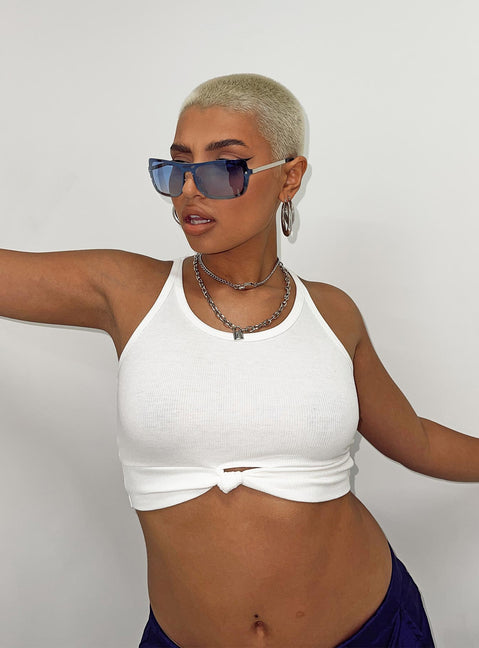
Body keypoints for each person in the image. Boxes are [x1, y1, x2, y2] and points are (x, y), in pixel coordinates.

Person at [1, 72, 478, 648]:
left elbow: (417, 441)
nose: (189, 190)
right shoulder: (125, 291)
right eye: (177, 167)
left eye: (222, 166)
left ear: (290, 177)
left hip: (375, 630)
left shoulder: (332, 313)